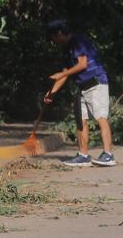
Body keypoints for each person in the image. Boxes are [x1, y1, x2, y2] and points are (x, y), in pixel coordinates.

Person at [45, 20, 115, 167]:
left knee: (100, 117)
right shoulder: (65, 49)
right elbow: (64, 74)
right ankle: (83, 155)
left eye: (53, 38)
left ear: (59, 33)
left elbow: (82, 64)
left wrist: (60, 75)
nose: (53, 42)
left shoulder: (78, 41)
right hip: (82, 87)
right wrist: (52, 92)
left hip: (96, 83)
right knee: (80, 120)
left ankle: (108, 154)